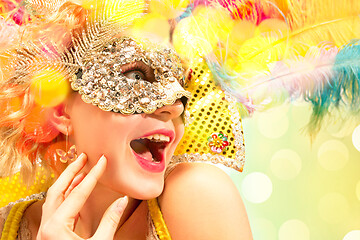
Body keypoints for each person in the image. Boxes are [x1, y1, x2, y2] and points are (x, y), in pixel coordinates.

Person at [0, 0, 252, 239]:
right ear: (60, 112)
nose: (174, 105)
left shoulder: (199, 193)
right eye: (136, 77)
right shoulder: (5, 228)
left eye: (178, 81)